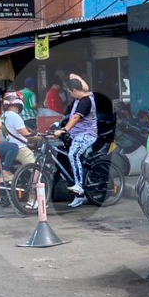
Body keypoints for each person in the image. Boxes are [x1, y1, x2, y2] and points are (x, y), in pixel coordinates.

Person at [54, 78, 100, 208]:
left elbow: (75, 118)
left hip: (87, 135)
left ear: (74, 90)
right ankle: (80, 197)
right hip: (76, 135)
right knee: (64, 159)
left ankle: (79, 186)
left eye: (70, 92)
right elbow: (70, 116)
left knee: (73, 154)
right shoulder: (80, 99)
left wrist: (64, 129)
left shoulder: (85, 101)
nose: (70, 95)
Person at [0, 95, 36, 167]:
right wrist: (42, 138)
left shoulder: (3, 116)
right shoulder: (15, 116)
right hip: (20, 148)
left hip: (9, 146)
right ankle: (36, 178)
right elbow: (26, 135)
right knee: (36, 168)